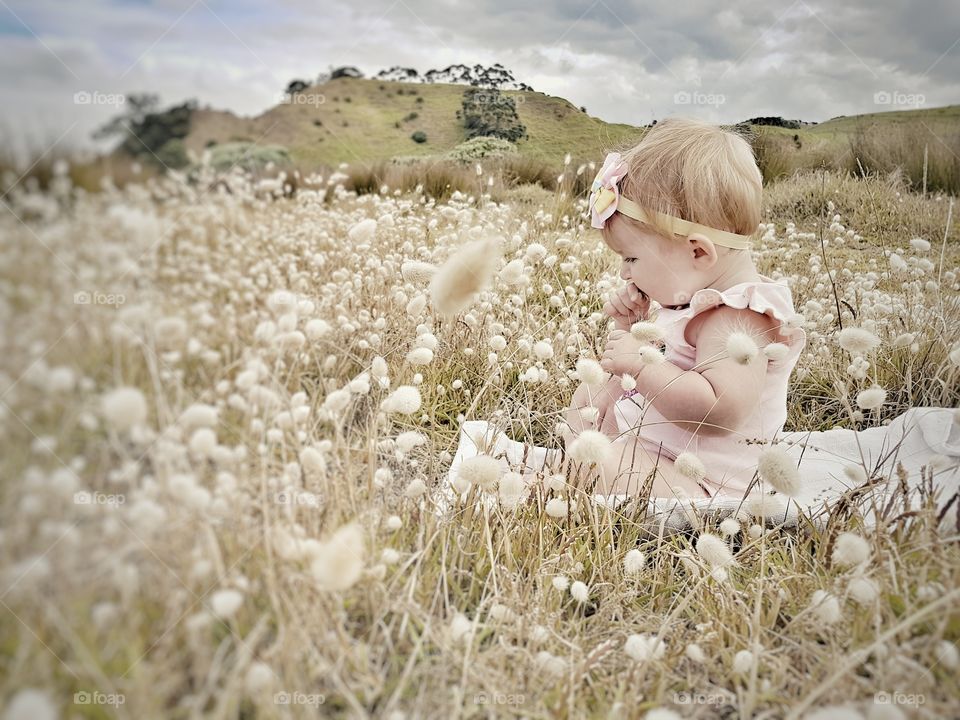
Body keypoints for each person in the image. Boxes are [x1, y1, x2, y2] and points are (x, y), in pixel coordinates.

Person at [562, 118, 807, 501]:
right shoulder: (692, 297)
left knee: (586, 463)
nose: (624, 271)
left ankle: (560, 481)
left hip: (708, 483)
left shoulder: (737, 318)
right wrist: (632, 330)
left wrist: (641, 365)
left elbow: (719, 411)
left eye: (630, 257)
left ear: (698, 252)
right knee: (584, 412)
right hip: (661, 455)